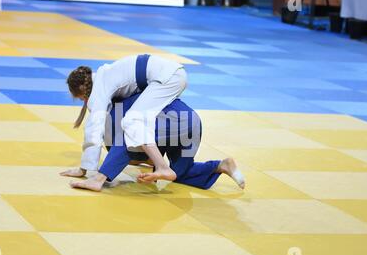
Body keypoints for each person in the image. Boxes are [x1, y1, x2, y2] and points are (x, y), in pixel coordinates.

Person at [61, 93, 245, 192]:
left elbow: (123, 146)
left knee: (129, 139)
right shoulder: (145, 94)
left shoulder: (118, 108)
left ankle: (98, 180)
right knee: (179, 172)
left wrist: (89, 171)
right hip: (192, 122)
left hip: (172, 122)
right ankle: (221, 166)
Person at [63, 54, 187, 183]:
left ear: (83, 93)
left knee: (132, 120)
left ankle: (163, 168)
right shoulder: (104, 75)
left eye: (81, 99)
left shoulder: (98, 92)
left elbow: (93, 131)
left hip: (168, 78)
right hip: (171, 74)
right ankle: (147, 158)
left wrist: (83, 169)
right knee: (135, 118)